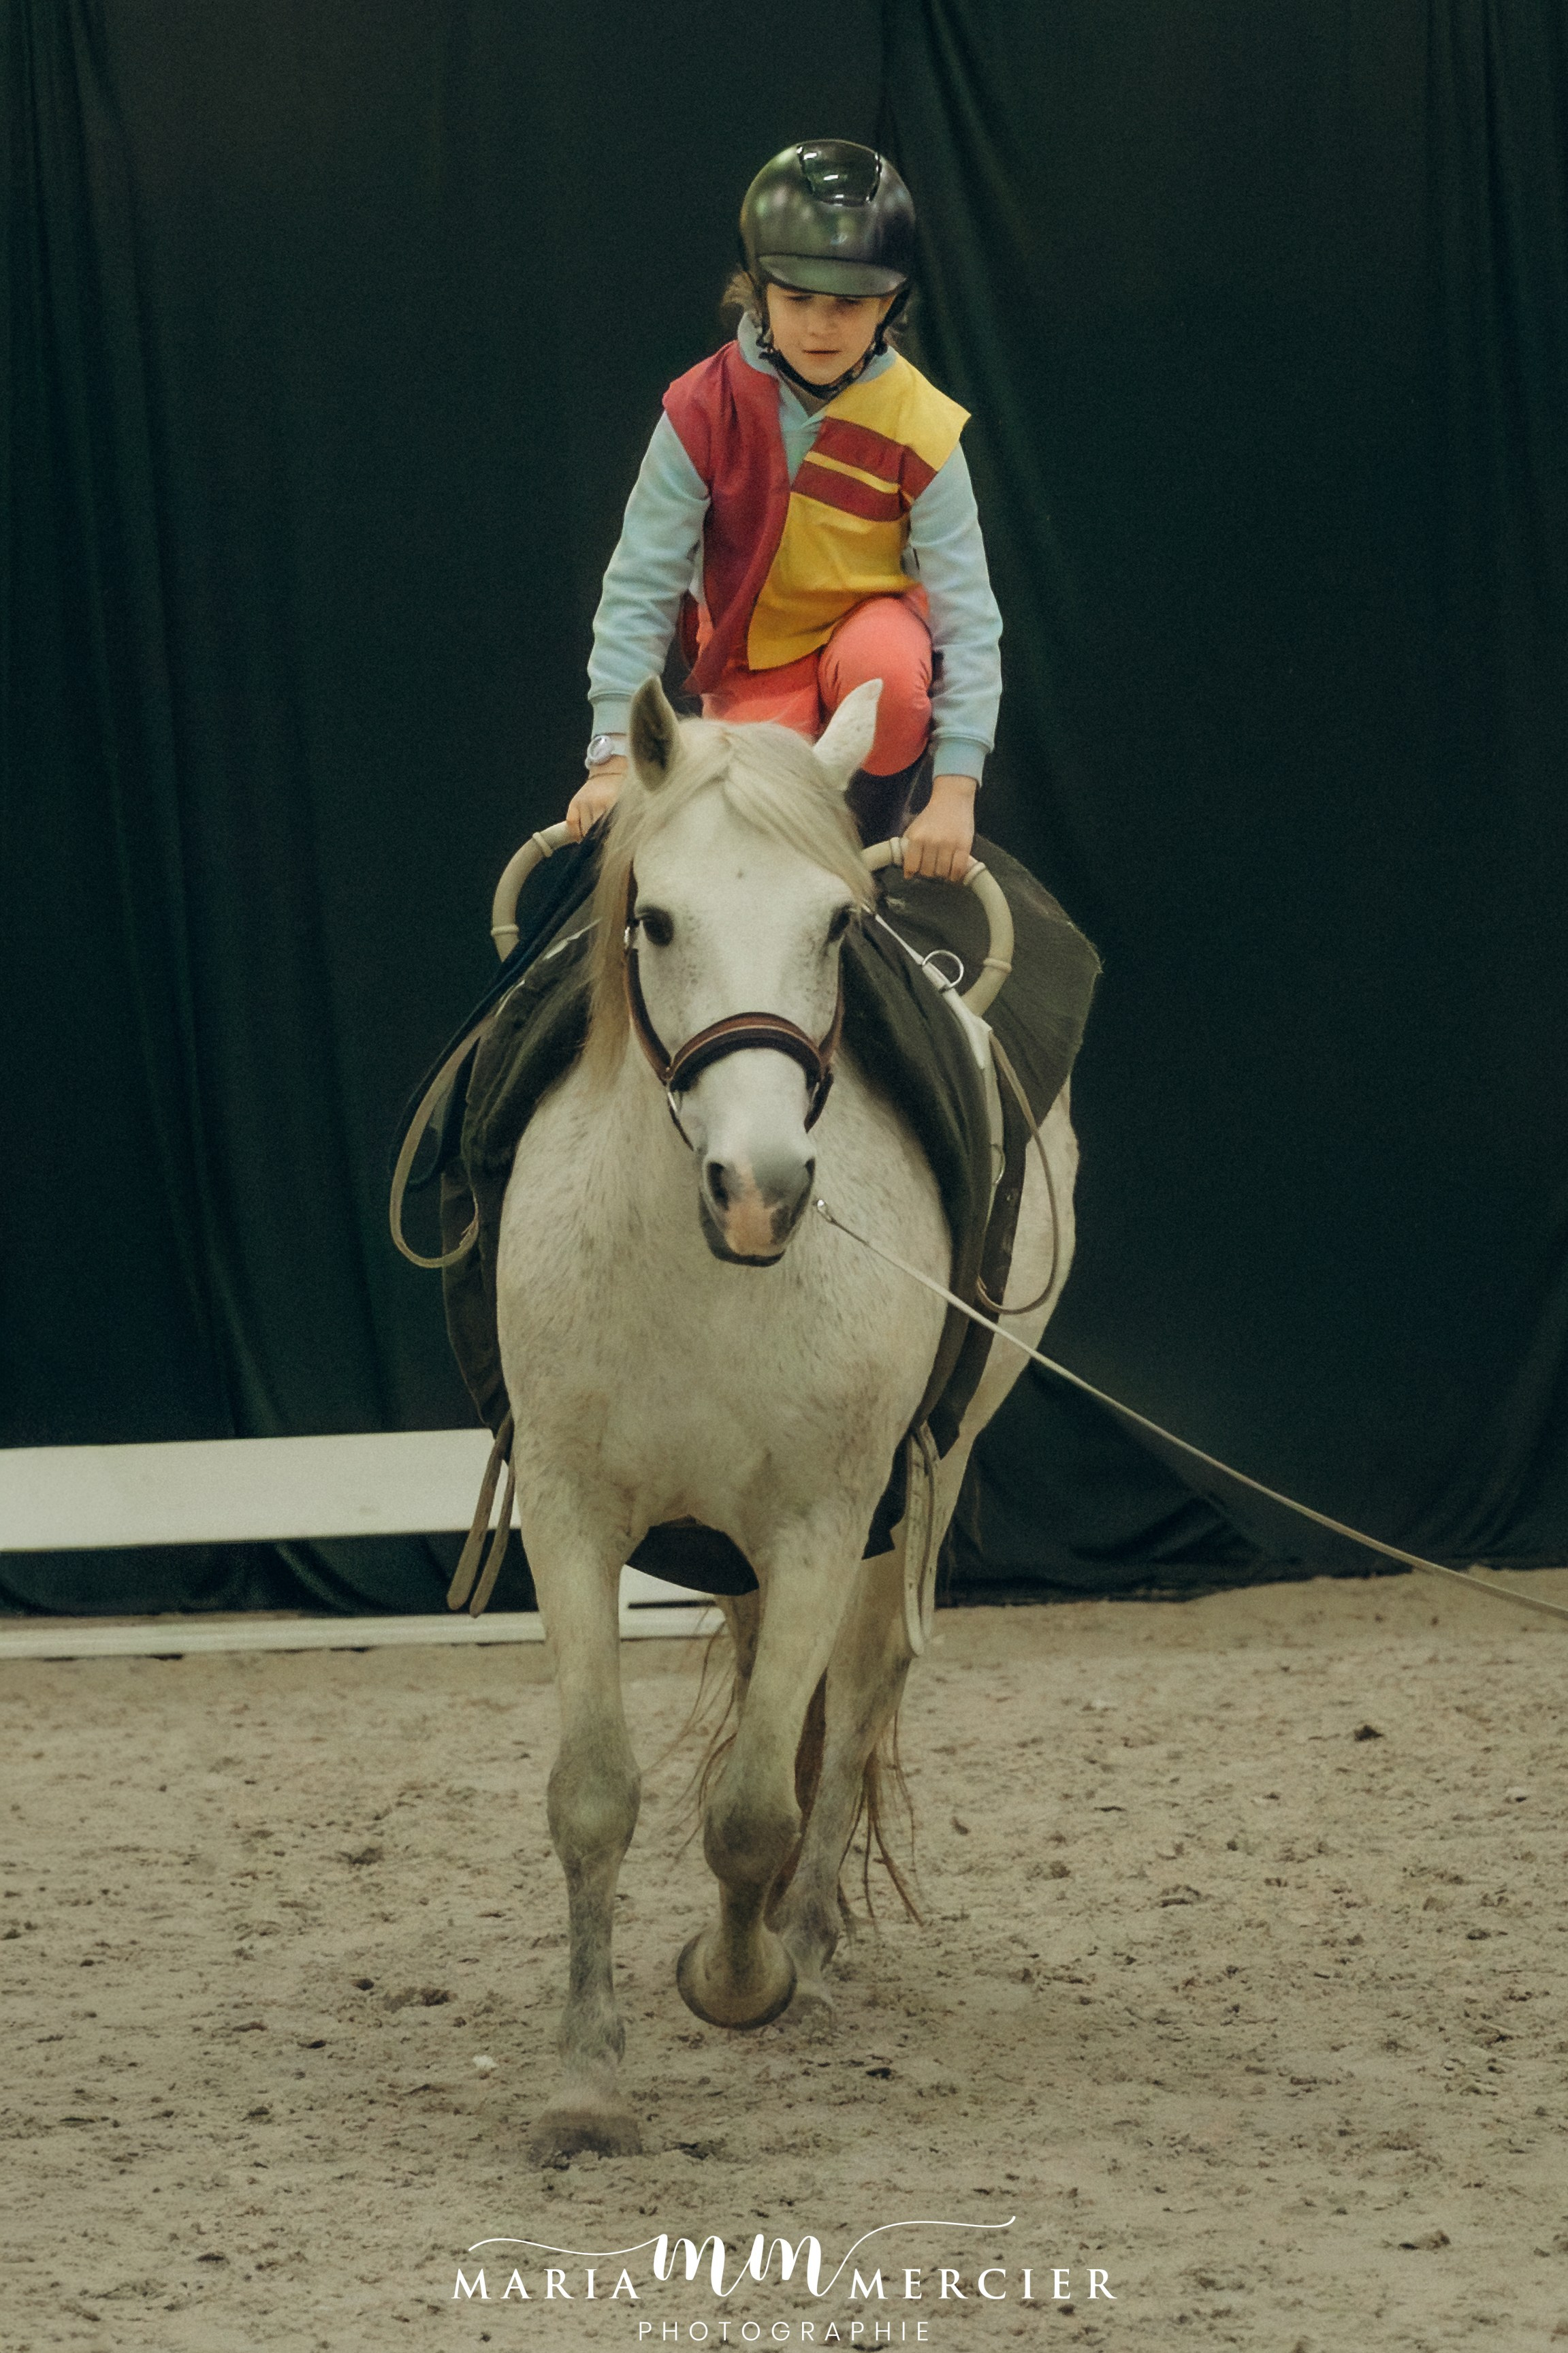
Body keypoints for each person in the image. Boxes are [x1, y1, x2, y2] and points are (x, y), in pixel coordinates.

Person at [566, 140, 1003, 881]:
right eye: (797, 298)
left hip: (866, 658)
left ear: (890, 304)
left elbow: (966, 613)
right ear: (757, 289)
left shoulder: (922, 427)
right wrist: (610, 756)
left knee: (890, 673)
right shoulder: (700, 407)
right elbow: (639, 583)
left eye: (847, 305)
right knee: (740, 846)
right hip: (753, 668)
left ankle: (865, 868)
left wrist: (955, 789)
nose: (819, 327)